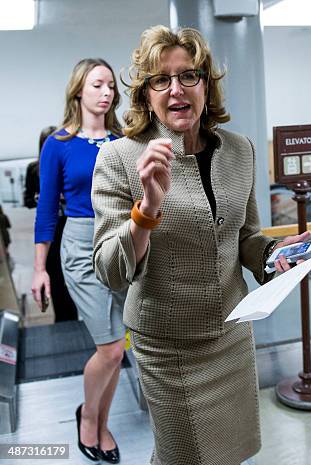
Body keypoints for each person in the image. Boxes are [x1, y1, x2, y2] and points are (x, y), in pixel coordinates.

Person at [92, 25, 308, 465]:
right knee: (183, 456)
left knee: (229, 451)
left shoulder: (240, 149)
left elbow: (246, 235)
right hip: (169, 345)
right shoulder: (119, 158)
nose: (176, 90)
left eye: (188, 75)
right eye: (160, 80)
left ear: (206, 85)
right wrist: (148, 207)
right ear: (145, 95)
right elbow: (110, 270)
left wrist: (274, 256)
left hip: (231, 334)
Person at [31, 58, 126, 464]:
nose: (106, 92)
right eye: (97, 85)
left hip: (122, 242)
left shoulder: (123, 140)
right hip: (81, 245)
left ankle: (103, 424)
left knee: (119, 349)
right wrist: (39, 269)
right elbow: (47, 210)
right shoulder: (58, 144)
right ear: (78, 92)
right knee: (109, 347)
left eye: (110, 86)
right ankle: (88, 417)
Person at [25, 126, 78, 322]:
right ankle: (65, 317)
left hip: (70, 222)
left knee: (75, 269)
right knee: (55, 273)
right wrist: (45, 198)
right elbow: (28, 200)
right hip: (52, 226)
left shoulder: (66, 161)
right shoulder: (34, 169)